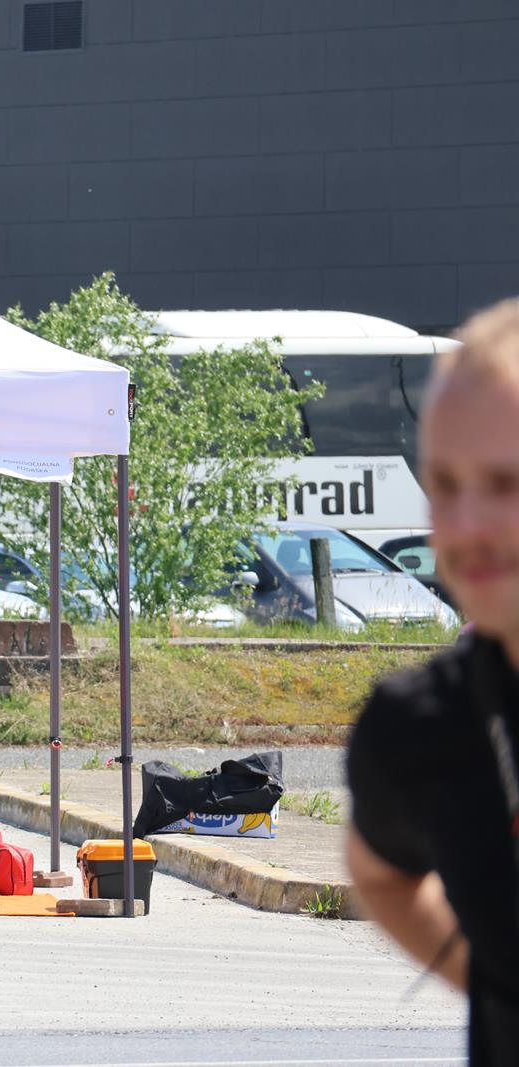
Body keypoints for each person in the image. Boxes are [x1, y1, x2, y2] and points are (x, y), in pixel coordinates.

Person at [346, 300, 519, 1064]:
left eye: (506, 482)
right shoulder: (419, 726)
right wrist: (498, 985)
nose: (468, 523)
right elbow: (378, 873)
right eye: (445, 482)